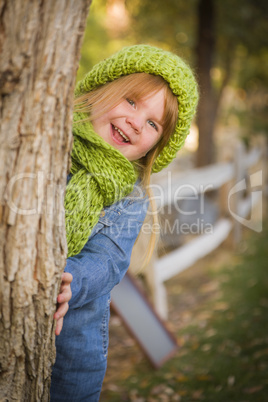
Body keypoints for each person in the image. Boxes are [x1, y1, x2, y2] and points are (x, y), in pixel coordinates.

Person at [50, 44, 198, 401]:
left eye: (152, 123)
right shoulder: (49, 148)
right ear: (102, 89)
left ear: (153, 148)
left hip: (73, 355)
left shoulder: (130, 198)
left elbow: (110, 259)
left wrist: (72, 280)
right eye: (131, 101)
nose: (135, 122)